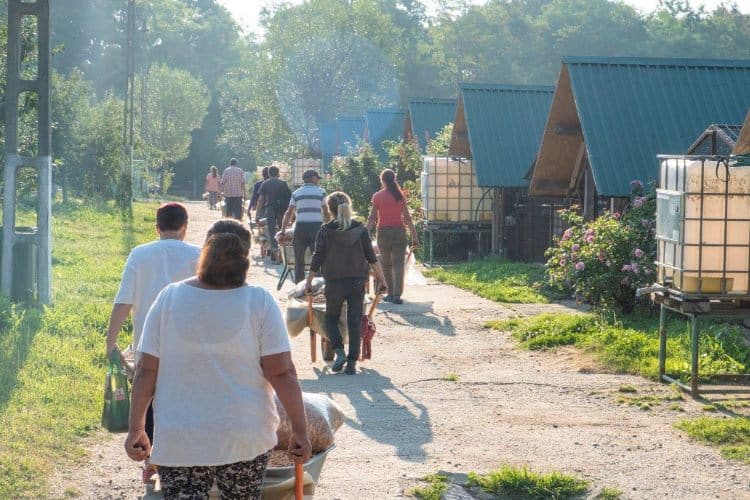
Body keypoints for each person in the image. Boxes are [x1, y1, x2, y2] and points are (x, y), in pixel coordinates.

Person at [124, 229, 312, 499]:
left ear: (203, 260)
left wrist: (137, 429)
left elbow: (146, 370)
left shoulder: (169, 298)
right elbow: (282, 372)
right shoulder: (259, 301)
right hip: (245, 436)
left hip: (181, 439)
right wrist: (300, 430)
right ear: (245, 265)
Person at [104, 202, 201, 483]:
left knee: (146, 399)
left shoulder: (140, 254)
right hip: (188, 344)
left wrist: (111, 343)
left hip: (147, 343)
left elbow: (123, 301)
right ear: (185, 226)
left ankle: (151, 460)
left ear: (156, 227)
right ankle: (181, 459)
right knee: (183, 399)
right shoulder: (198, 254)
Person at [306, 192, 387, 375]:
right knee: (354, 320)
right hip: (357, 281)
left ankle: (339, 351)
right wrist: (382, 280)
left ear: (330, 209)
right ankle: (351, 363)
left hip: (334, 282)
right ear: (348, 207)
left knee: (331, 319)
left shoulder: (325, 231)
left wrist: (309, 281)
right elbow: (371, 258)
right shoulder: (360, 229)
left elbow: (317, 258)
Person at [366, 169, 419, 305]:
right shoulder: (400, 196)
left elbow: (372, 217)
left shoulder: (377, 196)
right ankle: (397, 295)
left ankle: (389, 294)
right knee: (398, 265)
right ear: (394, 179)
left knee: (386, 265)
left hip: (383, 233)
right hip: (399, 232)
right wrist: (414, 236)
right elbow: (407, 218)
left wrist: (365, 234)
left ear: (382, 180)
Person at [281, 169, 326, 283]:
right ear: (313, 178)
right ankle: (318, 284)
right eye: (317, 178)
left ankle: (299, 285)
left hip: (300, 228)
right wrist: (329, 226)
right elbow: (326, 212)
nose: (318, 181)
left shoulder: (296, 193)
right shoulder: (321, 192)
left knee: (299, 259)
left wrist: (283, 229)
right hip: (316, 227)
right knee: (317, 258)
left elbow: (289, 212)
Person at [255, 166, 291, 263]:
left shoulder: (265, 183)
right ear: (278, 173)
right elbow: (289, 199)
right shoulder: (283, 183)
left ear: (269, 173)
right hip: (281, 209)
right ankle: (282, 254)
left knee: (271, 232)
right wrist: (291, 214)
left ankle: (275, 255)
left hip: (270, 209)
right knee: (282, 230)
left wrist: (257, 215)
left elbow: (261, 200)